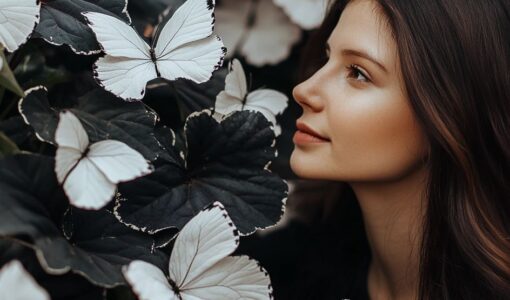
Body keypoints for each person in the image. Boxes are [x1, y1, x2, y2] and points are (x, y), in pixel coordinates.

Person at [238, 0, 510, 299]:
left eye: (358, 73)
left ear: (450, 114)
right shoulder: (276, 275)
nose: (304, 90)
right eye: (326, 57)